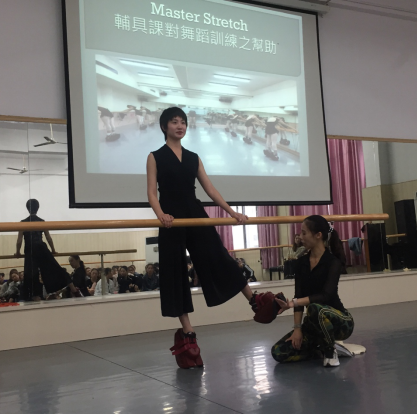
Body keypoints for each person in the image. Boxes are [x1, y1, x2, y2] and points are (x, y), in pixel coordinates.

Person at [147, 107, 265, 369]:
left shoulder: (193, 157)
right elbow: (152, 192)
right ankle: (188, 330)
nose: (180, 126)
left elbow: (210, 189)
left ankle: (254, 300)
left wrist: (232, 212)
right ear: (164, 126)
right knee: (175, 272)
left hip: (194, 212)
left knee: (218, 255)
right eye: (174, 122)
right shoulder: (154, 157)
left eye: (183, 122)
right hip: (171, 218)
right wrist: (161, 215)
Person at [271, 216, 355, 368]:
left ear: (318, 235)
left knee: (315, 308)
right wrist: (297, 329)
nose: (300, 237)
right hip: (314, 323)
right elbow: (298, 295)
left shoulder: (333, 262)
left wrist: (293, 303)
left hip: (340, 322)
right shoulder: (301, 263)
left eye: (304, 233)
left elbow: (325, 295)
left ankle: (330, 352)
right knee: (278, 352)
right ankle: (320, 350)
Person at [15, 199, 78, 301]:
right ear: (38, 208)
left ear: (27, 208)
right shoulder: (41, 221)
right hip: (41, 248)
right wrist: (53, 250)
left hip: (30, 250)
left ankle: (35, 296)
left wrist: (18, 252)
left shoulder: (23, 223)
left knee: (31, 274)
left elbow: (19, 241)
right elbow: (48, 238)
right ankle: (72, 288)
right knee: (55, 268)